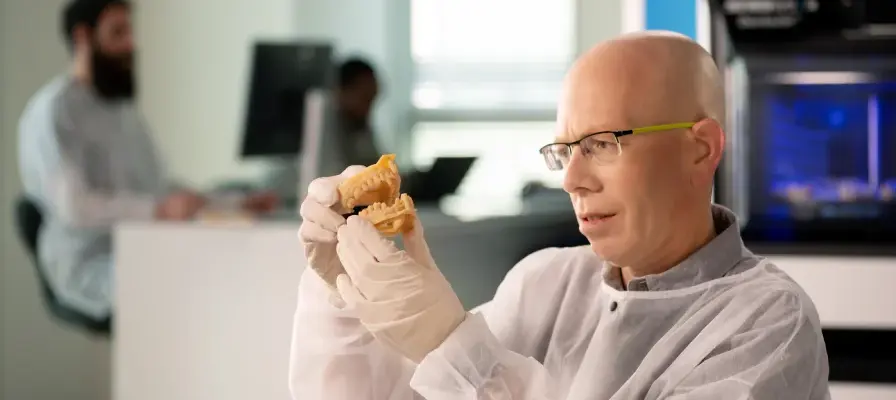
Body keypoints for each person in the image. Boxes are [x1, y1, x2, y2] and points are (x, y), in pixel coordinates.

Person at [291, 31, 830, 399]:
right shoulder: (545, 282)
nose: (572, 179)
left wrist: (453, 347)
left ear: (700, 148)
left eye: (600, 143)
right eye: (563, 151)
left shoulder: (767, 323)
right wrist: (344, 298)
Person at [17, 0, 276, 322]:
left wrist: (232, 203)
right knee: (203, 288)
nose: (132, 44)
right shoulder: (54, 111)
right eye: (118, 32)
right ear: (83, 37)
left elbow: (161, 189)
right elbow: (76, 206)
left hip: (143, 246)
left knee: (229, 262)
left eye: (130, 31)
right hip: (91, 265)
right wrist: (159, 210)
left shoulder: (124, 113)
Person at [333, 57, 382, 167]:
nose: (369, 108)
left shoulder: (360, 127)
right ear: (341, 91)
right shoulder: (326, 133)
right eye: (365, 98)